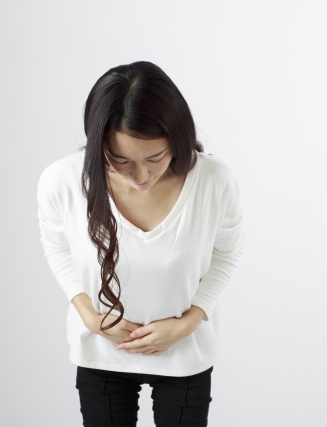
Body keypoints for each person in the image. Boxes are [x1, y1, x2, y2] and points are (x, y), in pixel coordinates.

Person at [36, 61, 244, 427]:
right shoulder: (62, 180)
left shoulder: (215, 181)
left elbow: (226, 253)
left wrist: (188, 322)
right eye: (120, 160)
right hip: (101, 353)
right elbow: (56, 247)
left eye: (155, 158)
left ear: (177, 138)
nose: (141, 175)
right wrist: (89, 316)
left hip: (185, 354)